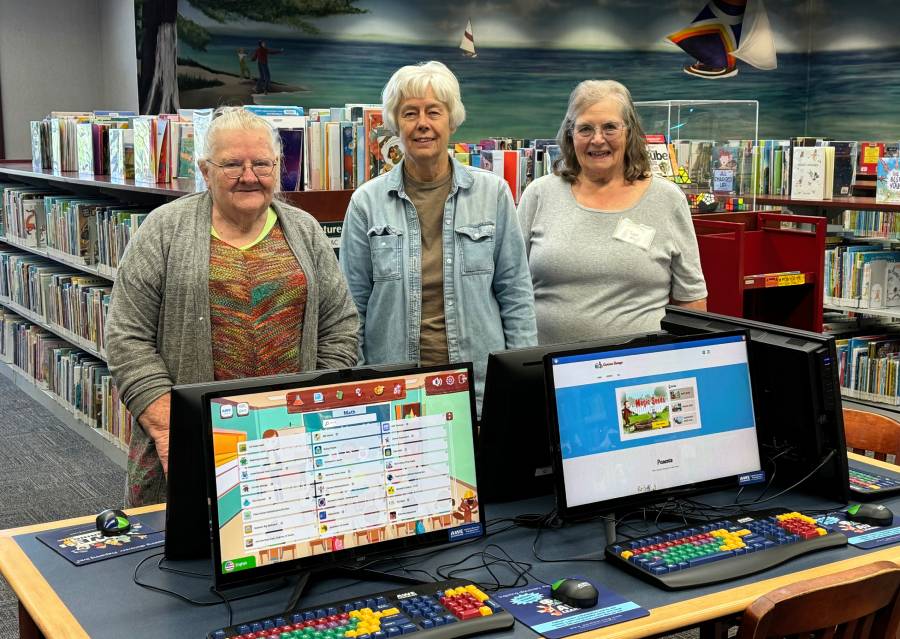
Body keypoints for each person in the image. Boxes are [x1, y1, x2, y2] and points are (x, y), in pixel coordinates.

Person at [106, 107, 359, 506]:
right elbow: (126, 338)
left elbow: (340, 326)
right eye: (231, 165)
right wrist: (172, 429)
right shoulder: (162, 229)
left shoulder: (305, 230)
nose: (248, 176)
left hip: (291, 441)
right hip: (187, 441)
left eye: (262, 163)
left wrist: (311, 405)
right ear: (205, 171)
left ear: (278, 168)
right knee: (182, 559)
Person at [339, 61, 537, 411]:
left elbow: (516, 294)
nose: (423, 124)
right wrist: (362, 390)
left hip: (479, 388)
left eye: (434, 111)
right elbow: (351, 309)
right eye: (410, 113)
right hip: (395, 390)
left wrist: (522, 381)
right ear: (395, 123)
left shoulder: (493, 193)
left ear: (451, 120)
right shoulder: (366, 203)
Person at [517, 80, 707, 344]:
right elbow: (511, 289)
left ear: (629, 132)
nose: (597, 139)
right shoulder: (538, 195)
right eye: (585, 129)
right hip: (547, 370)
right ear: (570, 135)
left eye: (609, 127)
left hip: (640, 373)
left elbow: (692, 299)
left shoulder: (667, 199)